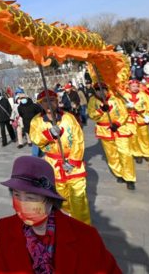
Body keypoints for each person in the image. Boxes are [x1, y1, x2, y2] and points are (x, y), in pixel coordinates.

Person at [0, 156, 121, 274]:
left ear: (50, 200)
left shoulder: (86, 236)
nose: (22, 203)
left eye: (31, 197)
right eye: (16, 195)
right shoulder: (5, 227)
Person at [29, 90, 91, 225]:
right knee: (60, 197)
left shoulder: (68, 117)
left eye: (52, 100)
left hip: (73, 165)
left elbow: (78, 139)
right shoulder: (37, 121)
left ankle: (84, 229)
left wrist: (73, 161)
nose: (49, 103)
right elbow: (35, 139)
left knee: (79, 199)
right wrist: (49, 133)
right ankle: (69, 216)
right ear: (41, 104)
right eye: (45, 101)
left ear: (57, 101)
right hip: (53, 165)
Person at [87, 83, 136, 190]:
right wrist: (100, 110)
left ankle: (129, 178)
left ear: (106, 90)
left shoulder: (116, 99)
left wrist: (117, 123)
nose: (101, 92)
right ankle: (119, 173)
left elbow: (124, 114)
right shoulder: (92, 101)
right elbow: (91, 115)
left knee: (125, 153)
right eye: (98, 90)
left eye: (103, 90)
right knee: (111, 155)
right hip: (105, 131)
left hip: (119, 129)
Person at [123, 80, 149, 164]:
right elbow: (119, 107)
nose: (135, 88)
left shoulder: (144, 95)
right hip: (129, 119)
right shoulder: (124, 96)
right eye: (133, 86)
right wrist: (125, 106)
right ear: (129, 87)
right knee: (133, 137)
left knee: (145, 137)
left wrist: (148, 115)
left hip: (142, 118)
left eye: (137, 86)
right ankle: (138, 154)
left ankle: (147, 153)